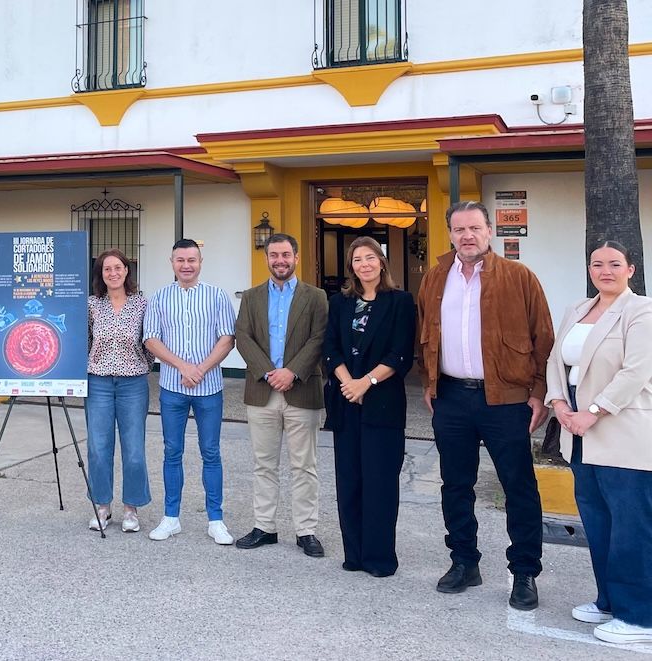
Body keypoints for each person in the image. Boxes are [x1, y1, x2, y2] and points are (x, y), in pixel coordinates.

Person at [416, 200, 553, 610]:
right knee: (456, 485)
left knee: (518, 486)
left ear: (489, 231)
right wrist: (429, 381)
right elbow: (423, 332)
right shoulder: (435, 278)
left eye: (474, 228)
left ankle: (524, 571)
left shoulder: (518, 277)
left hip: (506, 399)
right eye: (459, 230)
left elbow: (543, 339)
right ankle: (464, 562)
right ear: (451, 234)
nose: (467, 236)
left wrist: (538, 392)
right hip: (452, 398)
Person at [546, 240, 652, 644]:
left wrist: (594, 411)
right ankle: (609, 600)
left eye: (614, 264)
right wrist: (558, 402)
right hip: (578, 427)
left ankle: (641, 617)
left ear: (631, 269)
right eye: (597, 264)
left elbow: (636, 370)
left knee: (632, 526)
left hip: (621, 427)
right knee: (598, 520)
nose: (604, 270)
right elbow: (556, 360)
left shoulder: (641, 309)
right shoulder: (578, 309)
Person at [322, 237, 415, 577]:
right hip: (346, 403)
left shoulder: (400, 302)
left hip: (383, 403)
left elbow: (400, 353)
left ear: (382, 262)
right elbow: (330, 347)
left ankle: (379, 559)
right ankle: (354, 555)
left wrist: (366, 383)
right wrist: (349, 383)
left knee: (380, 483)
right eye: (358, 259)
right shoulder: (340, 303)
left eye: (370, 257)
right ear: (352, 267)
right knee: (349, 481)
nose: (365, 264)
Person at [234, 233, 328, 557]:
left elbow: (319, 338)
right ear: (267, 259)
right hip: (262, 391)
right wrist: (268, 372)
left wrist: (292, 372)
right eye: (274, 255)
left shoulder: (315, 297)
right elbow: (242, 337)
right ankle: (265, 527)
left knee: (305, 466)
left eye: (286, 254)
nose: (280, 261)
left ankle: (306, 531)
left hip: (302, 389)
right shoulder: (251, 296)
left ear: (296, 257)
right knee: (264, 465)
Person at [143, 238, 236, 544]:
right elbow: (151, 339)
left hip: (209, 388)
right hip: (172, 387)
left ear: (200, 262)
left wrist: (201, 369)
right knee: (172, 452)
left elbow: (227, 338)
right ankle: (171, 518)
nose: (186, 265)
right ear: (172, 262)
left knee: (211, 453)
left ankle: (216, 520)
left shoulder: (216, 296)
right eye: (180, 260)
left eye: (191, 260)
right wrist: (184, 367)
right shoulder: (159, 298)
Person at [84, 249, 152, 532]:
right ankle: (102, 505)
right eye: (106, 269)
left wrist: (142, 365)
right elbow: (84, 340)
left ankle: (131, 508)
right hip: (98, 382)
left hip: (133, 383)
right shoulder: (91, 305)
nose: (113, 273)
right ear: (100, 274)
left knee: (134, 448)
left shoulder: (142, 304)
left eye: (118, 267)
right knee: (99, 448)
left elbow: (150, 340)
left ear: (127, 270)